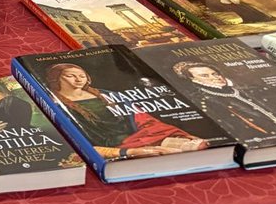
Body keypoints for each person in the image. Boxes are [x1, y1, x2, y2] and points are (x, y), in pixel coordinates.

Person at [44, 63, 205, 160]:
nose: (79, 79)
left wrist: (175, 134)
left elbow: (143, 119)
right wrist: (129, 151)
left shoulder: (107, 94)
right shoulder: (54, 102)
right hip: (113, 147)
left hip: (140, 137)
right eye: (71, 76)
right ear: (56, 78)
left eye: (82, 76)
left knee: (196, 146)